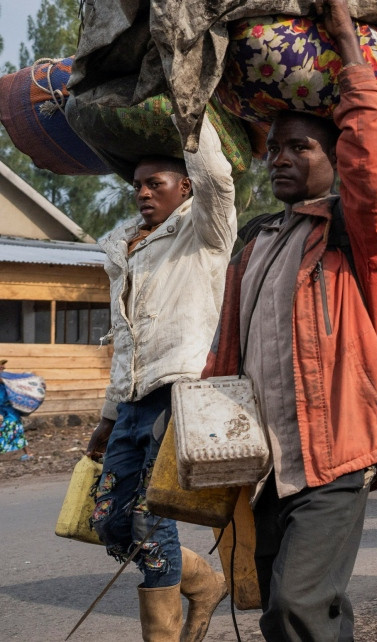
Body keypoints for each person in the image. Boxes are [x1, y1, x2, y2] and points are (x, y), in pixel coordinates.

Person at [200, 0, 377, 640]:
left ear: (333, 158)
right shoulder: (258, 242)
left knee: (296, 605)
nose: (281, 158)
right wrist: (204, 438)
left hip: (335, 458)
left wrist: (346, 38)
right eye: (276, 147)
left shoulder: (354, 238)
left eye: (302, 147)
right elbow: (227, 357)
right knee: (286, 606)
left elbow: (375, 170)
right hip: (266, 463)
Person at [82, 119, 234, 636]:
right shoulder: (125, 250)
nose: (143, 193)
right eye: (138, 186)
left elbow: (217, 175)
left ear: (185, 187)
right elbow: (124, 341)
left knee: (150, 521)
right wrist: (107, 418)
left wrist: (192, 113)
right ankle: (204, 581)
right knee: (108, 521)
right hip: (131, 401)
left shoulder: (204, 232)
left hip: (179, 393)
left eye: (156, 184)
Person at [0, 360, 31, 460]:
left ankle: (29, 453)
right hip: (7, 411)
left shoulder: (5, 379)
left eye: (3, 366)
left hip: (11, 412)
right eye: (1, 366)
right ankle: (29, 454)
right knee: (19, 432)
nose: (4, 368)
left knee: (5, 431)